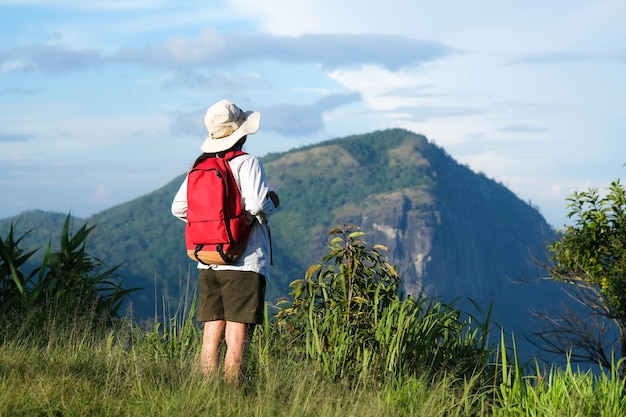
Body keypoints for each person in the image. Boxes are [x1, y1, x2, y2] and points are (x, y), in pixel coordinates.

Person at [171, 99, 279, 384]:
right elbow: (257, 205)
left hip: (208, 258)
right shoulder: (247, 162)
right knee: (238, 334)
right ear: (241, 133)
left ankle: (208, 390)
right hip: (244, 261)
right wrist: (270, 204)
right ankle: (233, 395)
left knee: (211, 334)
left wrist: (212, 226)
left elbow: (179, 208)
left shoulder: (200, 165)